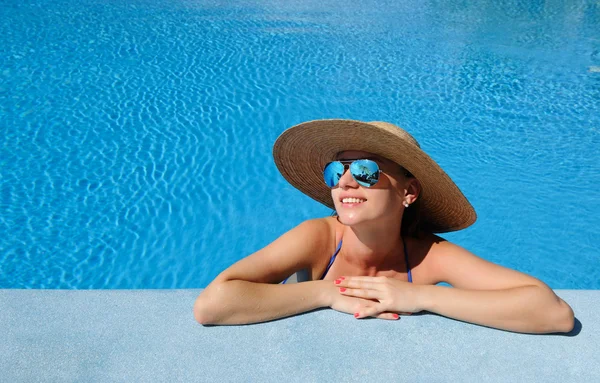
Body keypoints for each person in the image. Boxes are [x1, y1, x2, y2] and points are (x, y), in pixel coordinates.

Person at [193, 119, 574, 333]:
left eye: (365, 171)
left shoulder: (429, 256)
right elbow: (213, 304)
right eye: (336, 171)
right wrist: (325, 293)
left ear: (408, 192)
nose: (344, 183)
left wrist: (423, 297)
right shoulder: (319, 237)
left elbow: (552, 311)